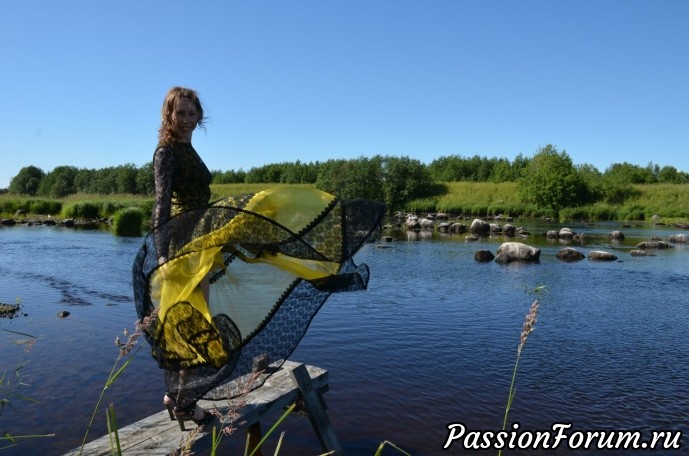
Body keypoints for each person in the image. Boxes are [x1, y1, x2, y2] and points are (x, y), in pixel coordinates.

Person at [133, 86, 385, 431]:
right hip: (182, 246)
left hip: (201, 238)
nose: (188, 120)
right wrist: (162, 254)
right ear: (168, 115)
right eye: (181, 114)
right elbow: (162, 204)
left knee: (200, 318)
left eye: (193, 114)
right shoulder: (165, 153)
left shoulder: (186, 147)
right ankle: (182, 401)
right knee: (189, 323)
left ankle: (178, 399)